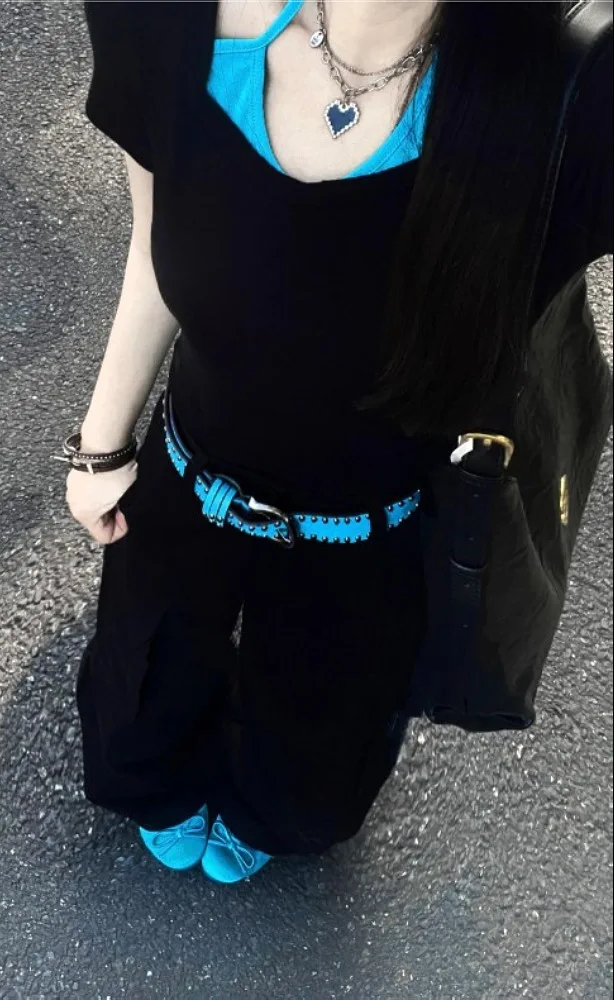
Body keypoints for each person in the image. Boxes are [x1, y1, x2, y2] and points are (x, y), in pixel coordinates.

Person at [65, 1, 613, 884]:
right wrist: (101, 448)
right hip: (188, 475)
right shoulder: (169, 14)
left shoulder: (569, 93)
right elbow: (151, 250)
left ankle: (269, 799)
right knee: (134, 743)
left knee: (300, 798)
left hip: (373, 537)